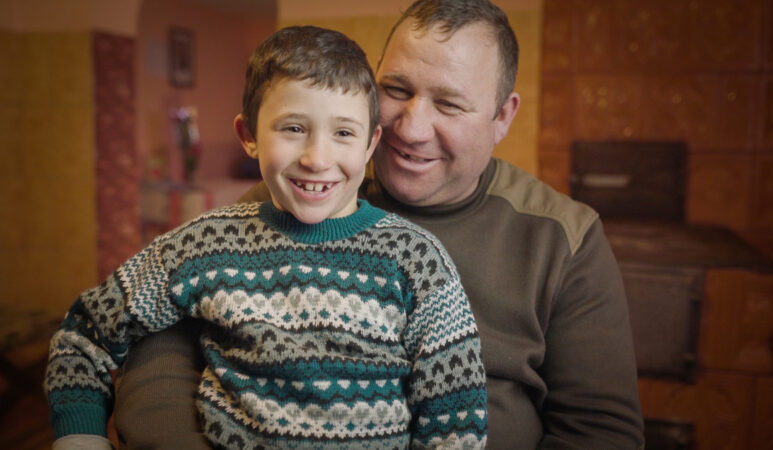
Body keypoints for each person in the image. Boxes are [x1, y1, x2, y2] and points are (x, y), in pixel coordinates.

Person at [115, 0, 646, 448]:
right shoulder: (310, 189)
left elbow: (601, 431)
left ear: (502, 116)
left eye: (450, 104)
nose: (411, 128)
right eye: (396, 90)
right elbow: (159, 350)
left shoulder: (562, 236)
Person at [45, 25, 488, 450]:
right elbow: (85, 332)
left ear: (371, 144)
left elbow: (457, 420)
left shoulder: (417, 260)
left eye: (343, 133)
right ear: (249, 135)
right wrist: (80, 434)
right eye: (293, 128)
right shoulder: (206, 245)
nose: (317, 158)